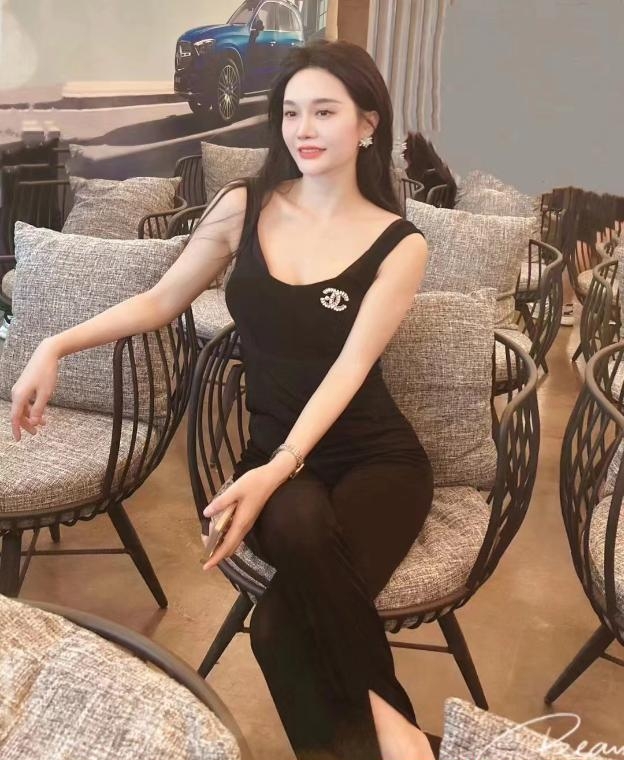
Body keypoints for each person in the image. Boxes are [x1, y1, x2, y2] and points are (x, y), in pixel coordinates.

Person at [10, 39, 436, 760]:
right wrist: (53, 345)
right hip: (272, 450)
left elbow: (352, 367)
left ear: (367, 124)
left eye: (324, 112)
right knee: (297, 524)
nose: (302, 129)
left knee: (274, 628)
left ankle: (396, 743)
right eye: (290, 112)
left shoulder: (400, 244)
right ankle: (406, 742)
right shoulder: (244, 205)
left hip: (376, 458)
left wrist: (279, 468)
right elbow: (160, 300)